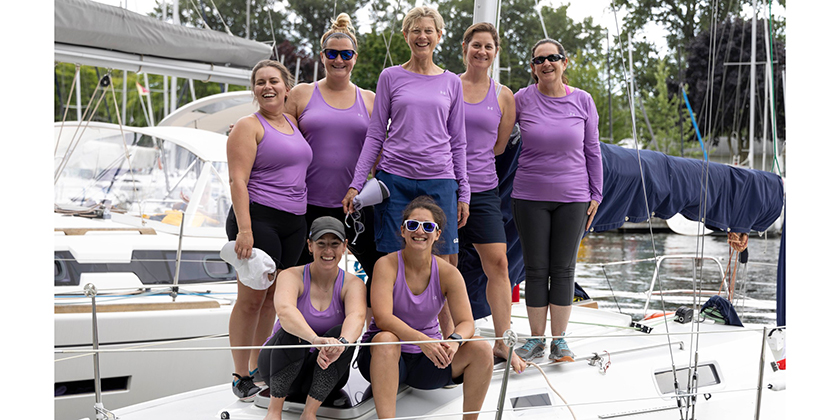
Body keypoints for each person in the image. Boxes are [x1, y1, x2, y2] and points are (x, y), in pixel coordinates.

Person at [341, 5, 469, 271]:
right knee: (391, 261)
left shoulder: (452, 83)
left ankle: (438, 316)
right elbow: (376, 134)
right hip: (394, 180)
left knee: (441, 263)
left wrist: (464, 193)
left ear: (439, 35)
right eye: (415, 31)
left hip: (440, 180)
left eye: (428, 31)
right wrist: (356, 184)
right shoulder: (390, 77)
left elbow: (458, 141)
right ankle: (388, 315)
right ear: (405, 35)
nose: (422, 36)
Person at [285, 13, 385, 323]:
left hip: (353, 205)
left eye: (346, 54)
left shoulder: (370, 100)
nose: (338, 60)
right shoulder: (302, 94)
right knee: (298, 277)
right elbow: (277, 136)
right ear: (322, 56)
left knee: (382, 271)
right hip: (304, 205)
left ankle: (368, 329)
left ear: (355, 57)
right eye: (332, 54)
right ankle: (301, 341)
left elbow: (383, 154)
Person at [357, 196, 493, 420]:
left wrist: (454, 341)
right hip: (384, 358)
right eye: (413, 225)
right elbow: (382, 318)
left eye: (428, 226)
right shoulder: (386, 265)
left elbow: (467, 322)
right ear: (402, 230)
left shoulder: (448, 273)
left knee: (481, 348)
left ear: (438, 234)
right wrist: (423, 341)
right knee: (386, 339)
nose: (419, 231)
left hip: (428, 361)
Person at [511, 39, 603, 363]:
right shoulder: (521, 99)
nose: (546, 63)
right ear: (533, 67)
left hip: (574, 197)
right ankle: (536, 340)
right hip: (529, 196)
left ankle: (559, 342)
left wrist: (597, 194)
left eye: (553, 58)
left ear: (565, 63)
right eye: (539, 60)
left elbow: (593, 149)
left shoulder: (583, 100)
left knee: (563, 270)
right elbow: (494, 134)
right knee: (536, 270)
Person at [226, 59, 312, 399]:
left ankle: (259, 366)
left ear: (286, 86)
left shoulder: (292, 121)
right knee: (250, 301)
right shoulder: (248, 126)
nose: (267, 87)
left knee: (270, 303)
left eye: (273, 81)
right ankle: (239, 374)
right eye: (260, 82)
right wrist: (244, 230)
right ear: (254, 89)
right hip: (258, 219)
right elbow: (237, 180)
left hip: (293, 221)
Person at [457, 22, 526, 373]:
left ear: (495, 52)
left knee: (498, 264)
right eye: (476, 45)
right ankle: (450, 339)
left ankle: (502, 341)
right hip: (446, 186)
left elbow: (499, 147)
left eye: (488, 46)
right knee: (446, 268)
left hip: (483, 188)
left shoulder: (503, 96)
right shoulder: (448, 86)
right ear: (465, 48)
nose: (481, 51)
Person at [257, 216, 366, 420]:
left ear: (344, 247)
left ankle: (309, 413)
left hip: (323, 374)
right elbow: (285, 311)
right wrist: (315, 340)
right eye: (321, 244)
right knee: (290, 332)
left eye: (334, 244)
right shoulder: (291, 275)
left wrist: (339, 344)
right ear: (310, 245)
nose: (328, 251)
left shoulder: (353, 283)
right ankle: (274, 412)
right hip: (277, 368)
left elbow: (357, 317)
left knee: (339, 336)